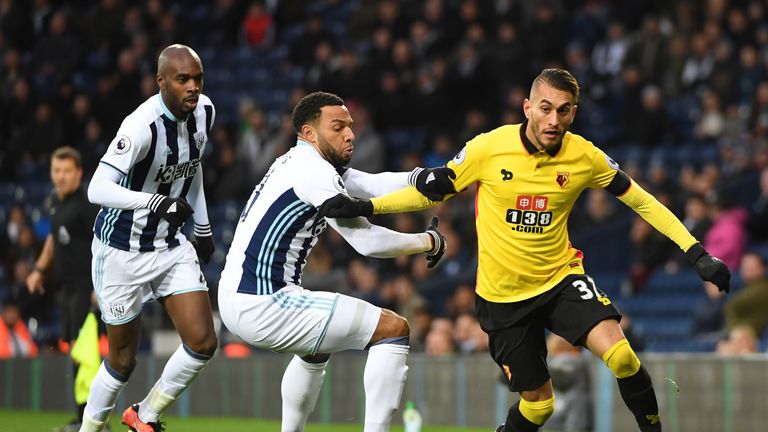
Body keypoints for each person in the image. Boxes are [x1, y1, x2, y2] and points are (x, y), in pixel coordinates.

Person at [319, 68, 731, 432]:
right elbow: (430, 192)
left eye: (565, 111)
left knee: (623, 357)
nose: (554, 120)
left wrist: (696, 253)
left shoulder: (584, 156)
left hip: (560, 279)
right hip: (502, 297)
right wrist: (366, 206)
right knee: (540, 408)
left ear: (574, 113)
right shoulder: (488, 148)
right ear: (527, 106)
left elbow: (641, 199)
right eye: (546, 108)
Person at [217, 91, 448, 432]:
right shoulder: (314, 172)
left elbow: (369, 183)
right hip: (264, 301)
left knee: (316, 348)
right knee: (393, 328)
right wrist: (426, 241)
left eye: (350, 126)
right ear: (309, 133)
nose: (350, 134)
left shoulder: (299, 162)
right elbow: (366, 241)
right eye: (338, 127)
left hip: (240, 296)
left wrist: (421, 178)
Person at [79, 44, 218, 432]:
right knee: (122, 360)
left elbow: (192, 168)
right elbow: (97, 188)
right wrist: (154, 201)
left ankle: (146, 414)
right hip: (121, 249)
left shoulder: (205, 111)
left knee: (204, 341)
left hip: (170, 245)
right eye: (182, 79)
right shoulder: (141, 126)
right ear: (161, 83)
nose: (193, 87)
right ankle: (90, 428)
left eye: (197, 78)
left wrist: (203, 227)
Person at [26, 146, 101, 431]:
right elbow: (52, 241)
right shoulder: (57, 203)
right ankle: (82, 417)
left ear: (79, 173)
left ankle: (94, 419)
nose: (61, 176)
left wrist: (98, 285)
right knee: (75, 353)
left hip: (85, 288)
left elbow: (102, 243)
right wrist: (39, 270)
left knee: (87, 356)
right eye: (56, 170)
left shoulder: (86, 204)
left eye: (67, 170)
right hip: (67, 290)